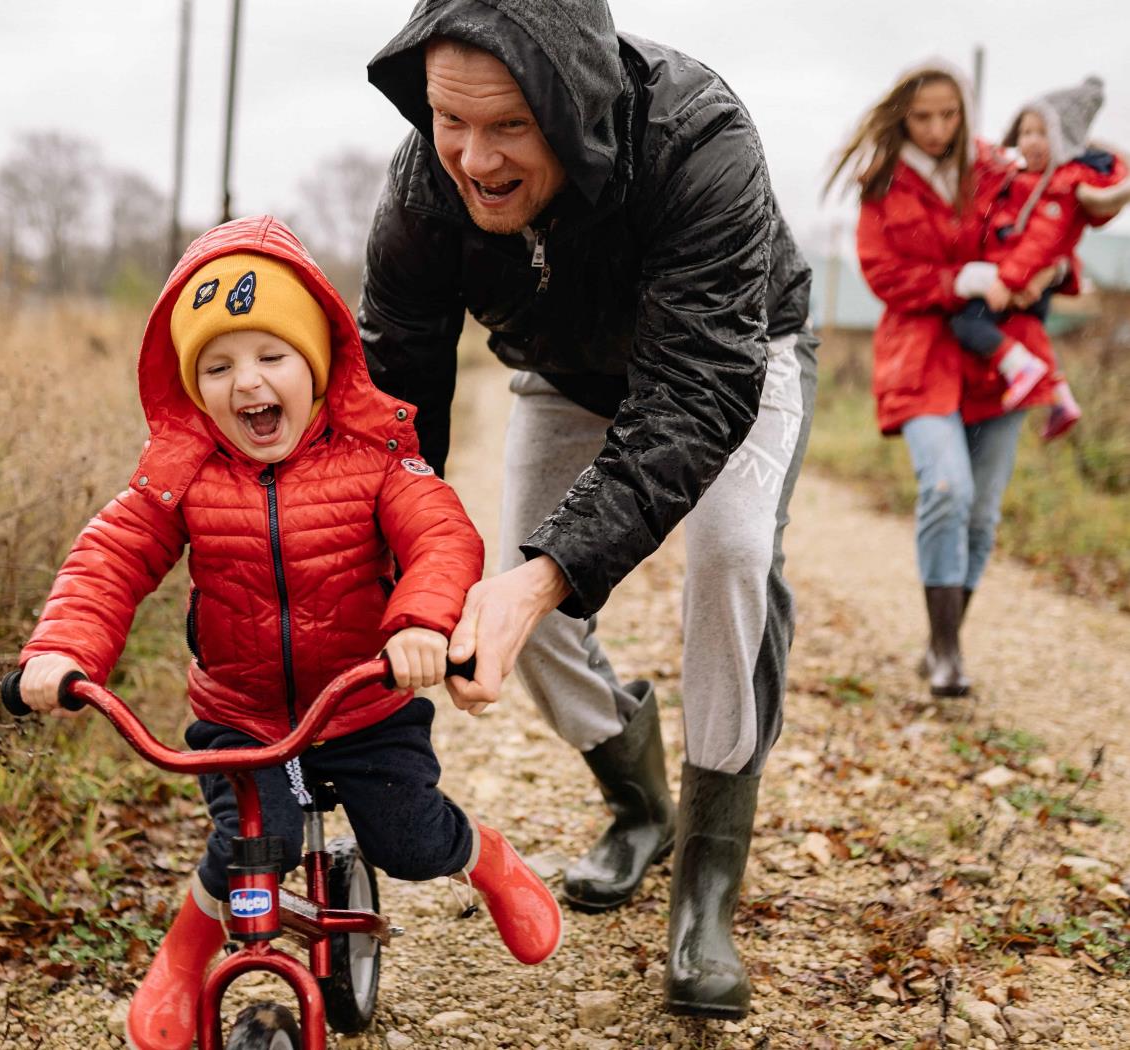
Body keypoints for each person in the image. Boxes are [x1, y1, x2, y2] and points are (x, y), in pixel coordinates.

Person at [360, 0, 817, 1019]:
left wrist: (548, 574)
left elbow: (697, 393)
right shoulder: (419, 191)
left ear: (574, 106)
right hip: (562, 374)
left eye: (510, 125)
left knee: (732, 554)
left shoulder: (700, 139)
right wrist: (388, 567)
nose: (474, 160)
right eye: (449, 120)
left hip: (734, 358)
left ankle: (707, 886)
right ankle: (638, 803)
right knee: (516, 586)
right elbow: (394, 401)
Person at [14, 216, 562, 1050]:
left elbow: (442, 537)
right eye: (218, 365)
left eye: (272, 356)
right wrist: (63, 649)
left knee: (409, 841)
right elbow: (112, 556)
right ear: (194, 387)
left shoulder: (376, 456)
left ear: (316, 361)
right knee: (247, 850)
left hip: (362, 705)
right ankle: (181, 960)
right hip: (243, 716)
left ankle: (485, 859)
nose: (248, 384)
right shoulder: (183, 473)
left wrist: (417, 623)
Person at [830, 63, 1064, 698]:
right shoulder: (882, 183)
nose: (936, 129)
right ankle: (945, 650)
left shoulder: (997, 168)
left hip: (999, 356)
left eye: (948, 114)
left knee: (983, 514)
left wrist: (1053, 261)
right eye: (922, 117)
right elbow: (881, 274)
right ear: (902, 116)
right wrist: (956, 281)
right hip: (921, 355)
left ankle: (945, 639)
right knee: (946, 488)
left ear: (964, 112)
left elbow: (1049, 219)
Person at [949, 75, 1129, 440]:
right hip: (1019, 275)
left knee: (967, 324)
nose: (1031, 141)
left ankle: (1020, 370)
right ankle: (1060, 396)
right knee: (1026, 332)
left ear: (1062, 140)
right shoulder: (1020, 179)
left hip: (1020, 279)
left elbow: (1040, 243)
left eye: (1042, 133)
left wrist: (1008, 280)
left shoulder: (1057, 188)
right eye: (1027, 131)